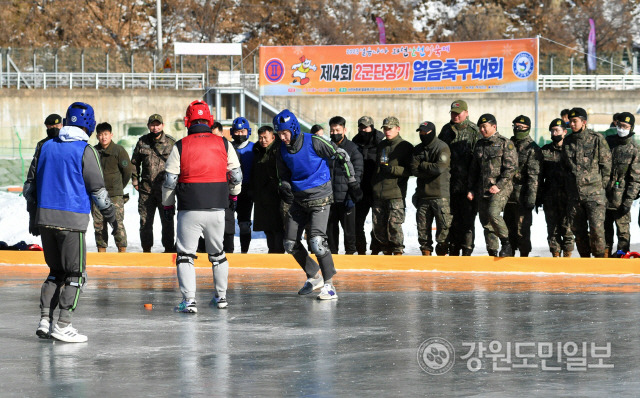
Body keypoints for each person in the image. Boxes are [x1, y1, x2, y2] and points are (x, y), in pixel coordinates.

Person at [24, 102, 116, 342]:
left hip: (45, 219)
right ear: (90, 125)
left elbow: (30, 187)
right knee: (76, 275)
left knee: (55, 272)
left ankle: (45, 320)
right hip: (71, 221)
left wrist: (34, 217)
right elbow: (98, 191)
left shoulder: (45, 147)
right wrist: (112, 218)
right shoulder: (85, 150)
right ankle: (64, 324)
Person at [162, 100, 242, 312]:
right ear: (210, 119)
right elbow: (236, 175)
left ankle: (189, 301)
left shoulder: (180, 145)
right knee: (218, 254)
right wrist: (233, 197)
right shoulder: (224, 143)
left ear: (187, 120)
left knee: (186, 256)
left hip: (189, 207)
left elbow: (170, 181)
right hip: (217, 206)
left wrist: (168, 206)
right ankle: (221, 297)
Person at [275, 109, 361, 300]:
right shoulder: (281, 149)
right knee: (289, 242)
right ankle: (314, 276)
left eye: (285, 133)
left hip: (321, 196)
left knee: (317, 242)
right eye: (279, 133)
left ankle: (329, 285)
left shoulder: (314, 141)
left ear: (294, 129)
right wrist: (285, 187)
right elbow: (283, 175)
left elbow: (341, 155)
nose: (282, 137)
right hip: (299, 199)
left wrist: (352, 181)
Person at [561, 107, 612, 258]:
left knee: (597, 229)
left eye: (575, 121)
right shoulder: (568, 141)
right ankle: (585, 259)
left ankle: (599, 258)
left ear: (583, 122)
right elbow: (565, 166)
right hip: (575, 195)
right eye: (570, 121)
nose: (572, 124)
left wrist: (600, 186)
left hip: (594, 194)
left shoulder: (597, 139)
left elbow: (606, 165)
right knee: (578, 230)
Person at [467, 114, 517, 257]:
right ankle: (492, 251)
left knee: (493, 214)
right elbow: (474, 169)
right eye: (480, 127)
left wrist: (499, 185)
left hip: (501, 188)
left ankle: (506, 244)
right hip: (483, 188)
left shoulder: (505, 143)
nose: (482, 130)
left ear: (494, 126)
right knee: (486, 222)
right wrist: (471, 189)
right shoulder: (479, 144)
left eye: (485, 127)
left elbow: (511, 168)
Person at [438, 100, 480, 256]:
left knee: (467, 221)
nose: (455, 116)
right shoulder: (446, 130)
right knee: (450, 220)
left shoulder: (474, 131)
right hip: (449, 184)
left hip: (468, 185)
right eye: (453, 113)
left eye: (459, 113)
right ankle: (453, 249)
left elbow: (478, 162)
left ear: (466, 113)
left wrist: (473, 187)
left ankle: (467, 251)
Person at [131, 114, 176, 252]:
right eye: (152, 125)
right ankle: (146, 250)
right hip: (146, 191)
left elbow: (178, 164)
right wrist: (135, 180)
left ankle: (168, 249)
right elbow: (134, 162)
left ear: (162, 125)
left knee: (167, 222)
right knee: (145, 223)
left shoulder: (171, 143)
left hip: (165, 191)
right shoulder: (142, 142)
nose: (155, 128)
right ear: (148, 126)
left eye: (158, 125)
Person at [371, 116, 414, 255]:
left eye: (390, 128)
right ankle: (385, 251)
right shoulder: (382, 145)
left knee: (394, 226)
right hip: (379, 193)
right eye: (385, 129)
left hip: (395, 193)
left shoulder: (405, 146)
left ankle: (397, 252)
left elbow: (411, 170)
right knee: (379, 227)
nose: (387, 131)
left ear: (398, 129)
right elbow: (378, 168)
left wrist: (393, 170)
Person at [410, 121, 452, 256]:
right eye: (421, 132)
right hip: (423, 195)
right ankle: (426, 254)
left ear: (432, 132)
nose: (423, 135)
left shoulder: (442, 147)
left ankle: (442, 254)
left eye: (425, 132)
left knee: (443, 229)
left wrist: (423, 165)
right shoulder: (418, 149)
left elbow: (440, 168)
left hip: (440, 195)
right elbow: (414, 169)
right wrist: (428, 168)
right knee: (423, 230)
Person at [503, 115, 542, 257]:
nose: (517, 129)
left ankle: (524, 257)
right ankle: (510, 255)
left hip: (522, 197)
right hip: (507, 196)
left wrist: (531, 199)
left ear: (527, 128)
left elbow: (533, 177)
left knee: (522, 231)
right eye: (515, 126)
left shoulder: (532, 148)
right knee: (508, 230)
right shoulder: (509, 144)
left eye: (520, 127)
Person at [92, 122, 133, 253]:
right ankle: (101, 251)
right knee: (99, 225)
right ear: (97, 136)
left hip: (115, 195)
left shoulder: (119, 150)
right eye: (100, 134)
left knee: (117, 224)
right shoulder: (93, 151)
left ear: (111, 135)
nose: (103, 137)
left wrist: (119, 187)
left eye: (106, 134)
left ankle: (122, 252)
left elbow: (127, 171)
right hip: (98, 194)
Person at [604, 112, 640, 256]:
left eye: (625, 126)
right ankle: (604, 256)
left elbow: (635, 178)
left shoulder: (634, 149)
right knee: (604, 232)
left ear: (631, 128)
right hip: (605, 196)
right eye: (619, 125)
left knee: (623, 233)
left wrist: (628, 201)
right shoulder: (608, 142)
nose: (621, 129)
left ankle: (622, 255)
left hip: (622, 199)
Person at [326, 116, 363, 254]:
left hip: (346, 198)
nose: (335, 133)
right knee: (330, 234)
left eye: (337, 130)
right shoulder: (327, 148)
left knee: (349, 235)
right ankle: (333, 260)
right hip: (330, 199)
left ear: (344, 130)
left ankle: (350, 259)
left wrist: (351, 195)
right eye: (332, 130)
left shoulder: (353, 149)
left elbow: (357, 173)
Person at [539, 119, 574, 257]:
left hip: (567, 196)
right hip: (550, 196)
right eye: (552, 131)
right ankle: (555, 255)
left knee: (567, 228)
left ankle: (568, 255)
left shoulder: (571, 150)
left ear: (564, 132)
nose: (554, 133)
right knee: (552, 228)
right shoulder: (545, 151)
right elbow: (539, 175)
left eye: (557, 130)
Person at [25, 114, 63, 236]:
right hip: (45, 187)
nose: (54, 128)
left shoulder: (68, 142)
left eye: (56, 126)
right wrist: (30, 184)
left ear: (62, 125)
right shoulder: (42, 144)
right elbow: (34, 167)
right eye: (51, 126)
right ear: (46, 127)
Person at [352, 116, 385, 254]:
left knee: (377, 223)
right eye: (361, 127)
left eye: (366, 127)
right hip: (361, 189)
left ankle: (375, 250)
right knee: (357, 223)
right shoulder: (355, 142)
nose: (363, 130)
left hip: (377, 188)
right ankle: (361, 250)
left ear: (372, 127)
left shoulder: (381, 143)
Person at [251, 126, 285, 253]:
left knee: (278, 228)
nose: (263, 140)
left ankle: (278, 253)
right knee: (267, 228)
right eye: (260, 137)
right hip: (262, 196)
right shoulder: (257, 151)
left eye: (265, 137)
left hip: (276, 196)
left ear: (273, 137)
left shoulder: (278, 151)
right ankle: (272, 252)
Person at [229, 117, 255, 253]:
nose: (240, 134)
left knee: (244, 224)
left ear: (248, 132)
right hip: (229, 191)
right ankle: (228, 250)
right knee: (227, 224)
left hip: (247, 192)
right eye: (237, 132)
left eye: (243, 131)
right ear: (232, 132)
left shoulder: (254, 149)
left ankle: (244, 252)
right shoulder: (228, 147)